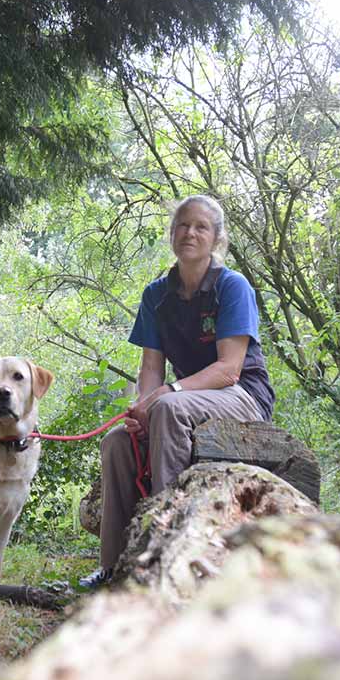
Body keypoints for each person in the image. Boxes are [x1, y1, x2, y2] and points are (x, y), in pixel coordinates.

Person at [80, 195, 275, 588]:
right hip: (187, 399)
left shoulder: (233, 287)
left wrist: (166, 395)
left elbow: (228, 370)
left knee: (168, 408)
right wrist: (141, 407)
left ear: (217, 239)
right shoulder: (156, 295)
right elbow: (151, 367)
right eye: (183, 225)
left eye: (201, 226)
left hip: (243, 396)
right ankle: (113, 566)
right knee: (118, 440)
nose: (190, 232)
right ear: (172, 234)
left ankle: (163, 547)